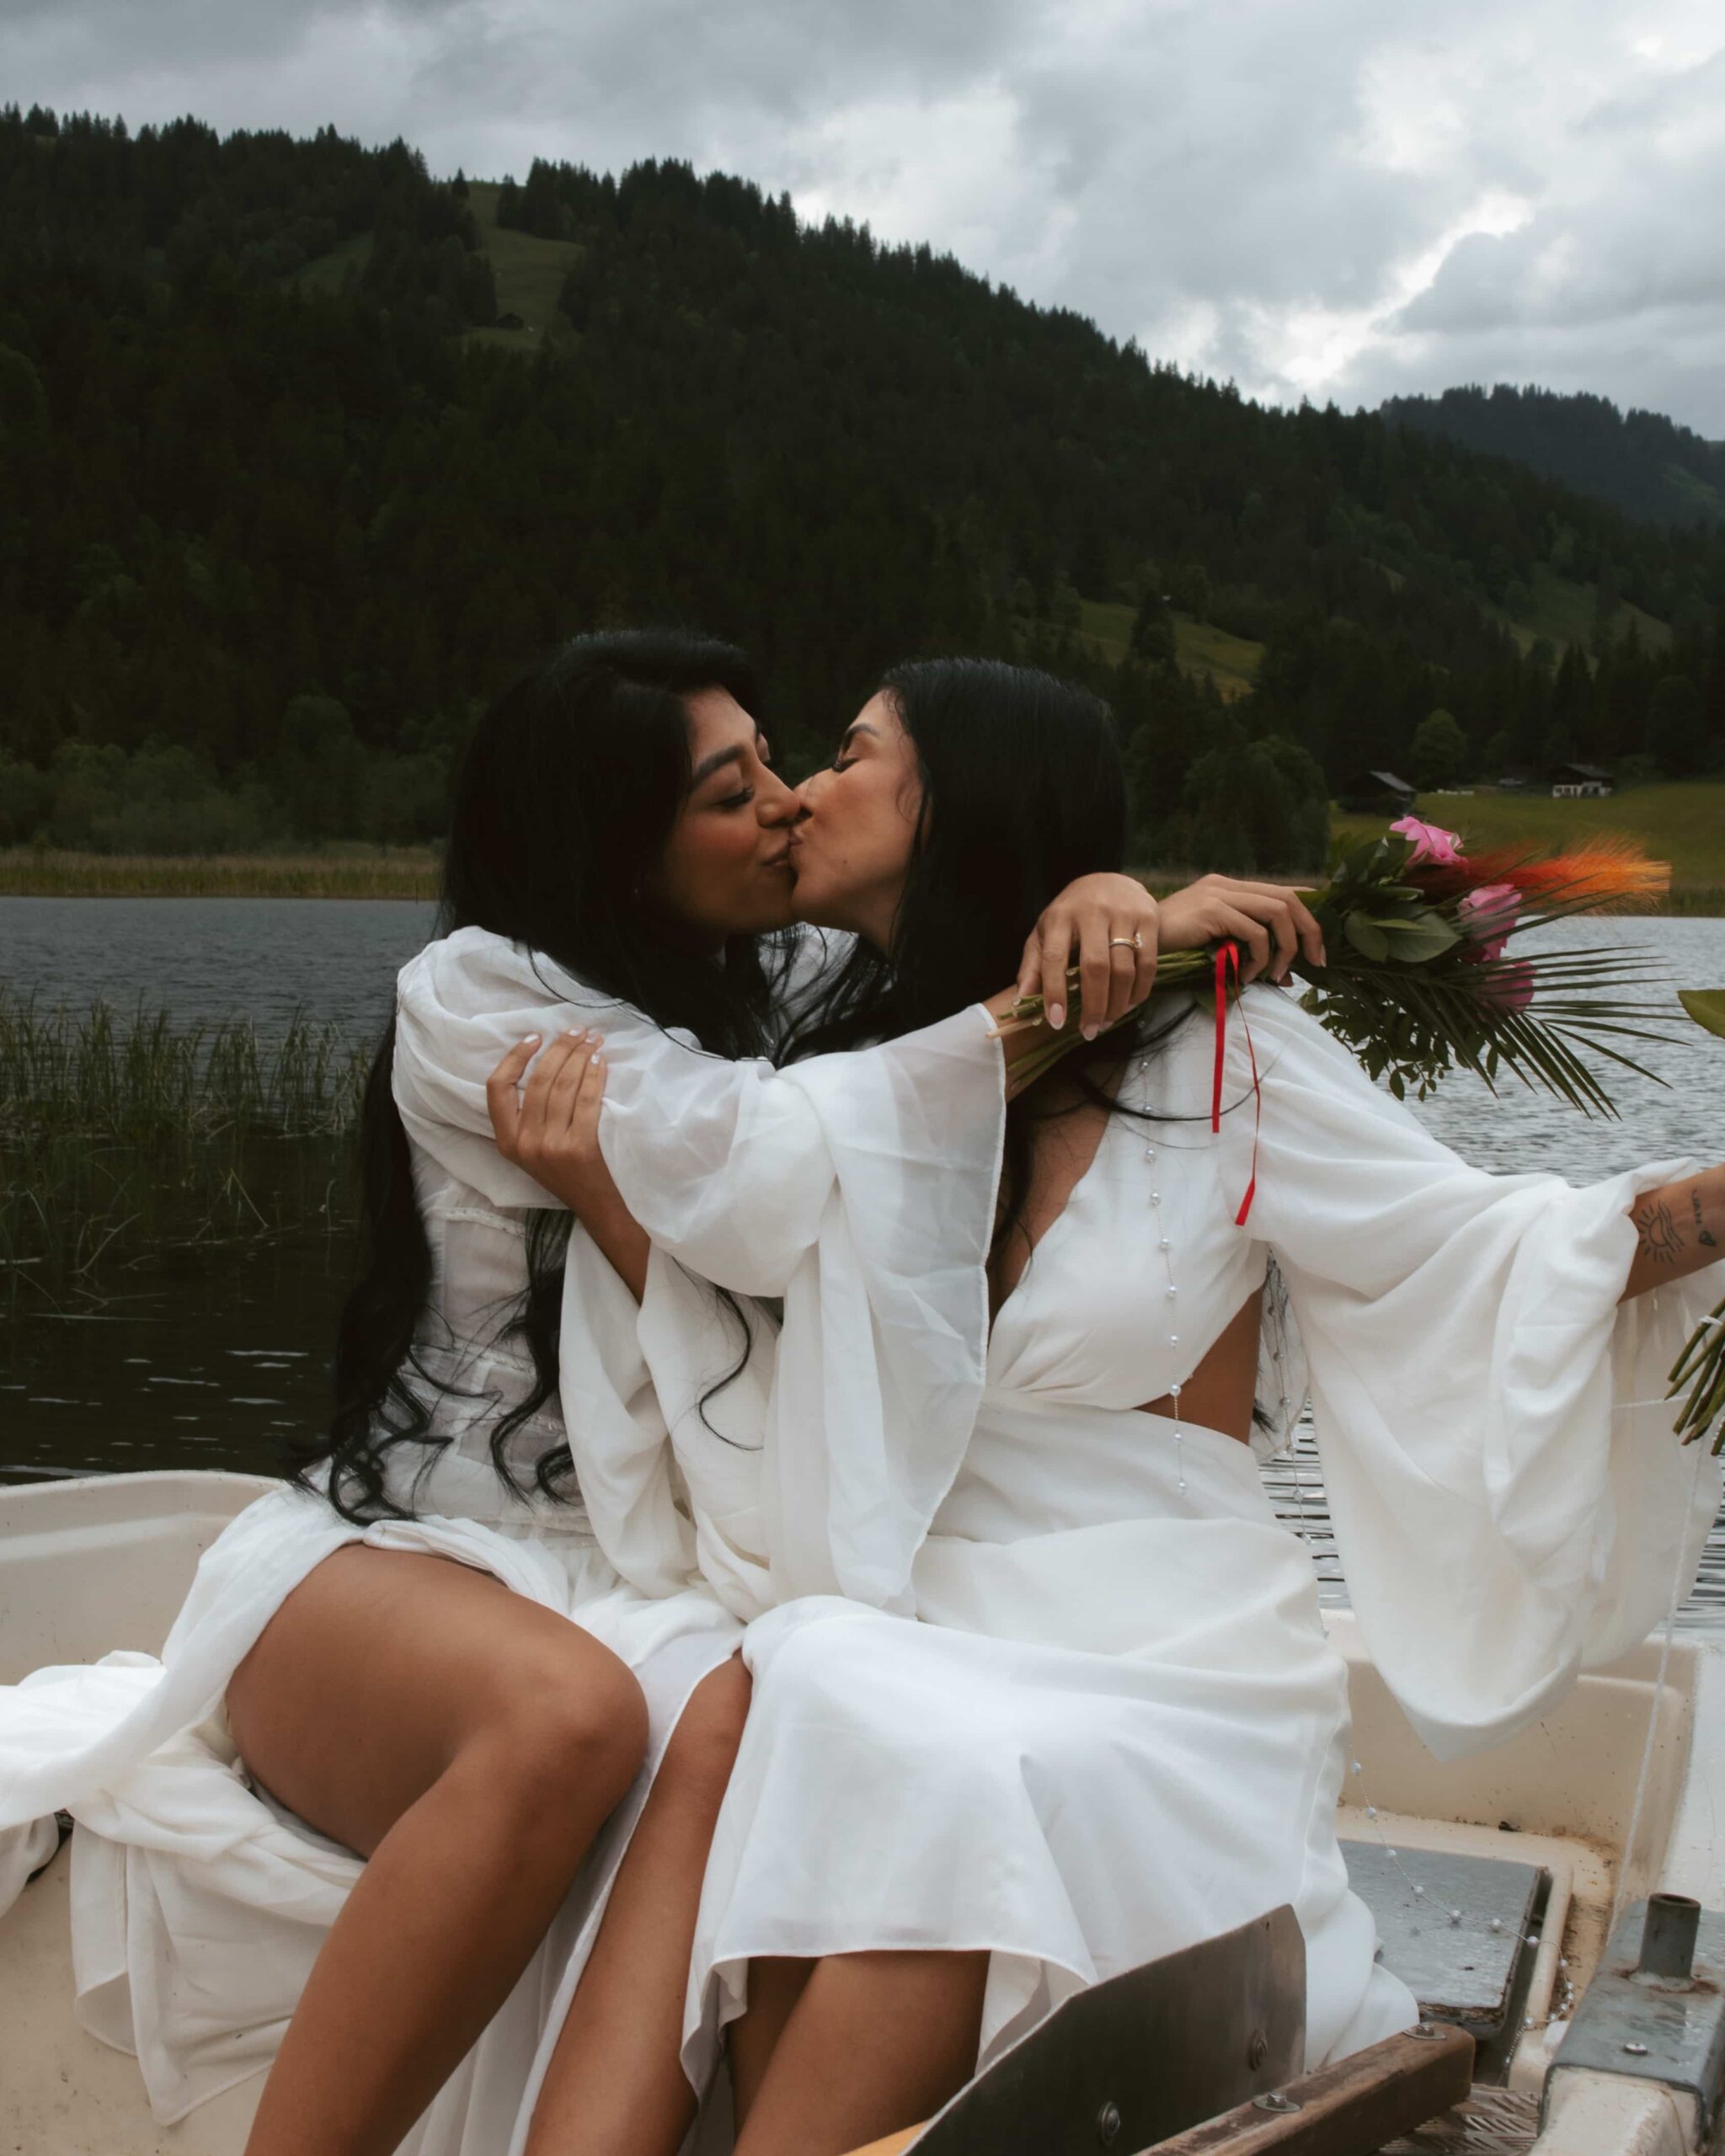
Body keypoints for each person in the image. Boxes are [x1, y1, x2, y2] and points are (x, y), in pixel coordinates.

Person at [6, 629, 1287, 2156]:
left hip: (635, 1574)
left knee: (788, 1714)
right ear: (612, 845)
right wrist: (1057, 1004)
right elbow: (766, 1164)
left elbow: (951, 956)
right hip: (411, 1550)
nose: (785, 806)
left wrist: (1106, 901)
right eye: (727, 791)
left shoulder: (780, 985)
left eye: (776, 763)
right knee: (569, 1722)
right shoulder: (480, 997)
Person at [490, 656, 1725, 2156]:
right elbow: (732, 1347)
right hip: (917, 1597)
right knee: (793, 1687)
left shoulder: (1225, 1060)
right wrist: (607, 1199)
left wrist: (1714, 1210)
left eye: (852, 752)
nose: (805, 788)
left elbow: (1485, 1248)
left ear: (965, 802)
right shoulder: (839, 1075)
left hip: (1165, 1629)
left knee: (922, 1750)